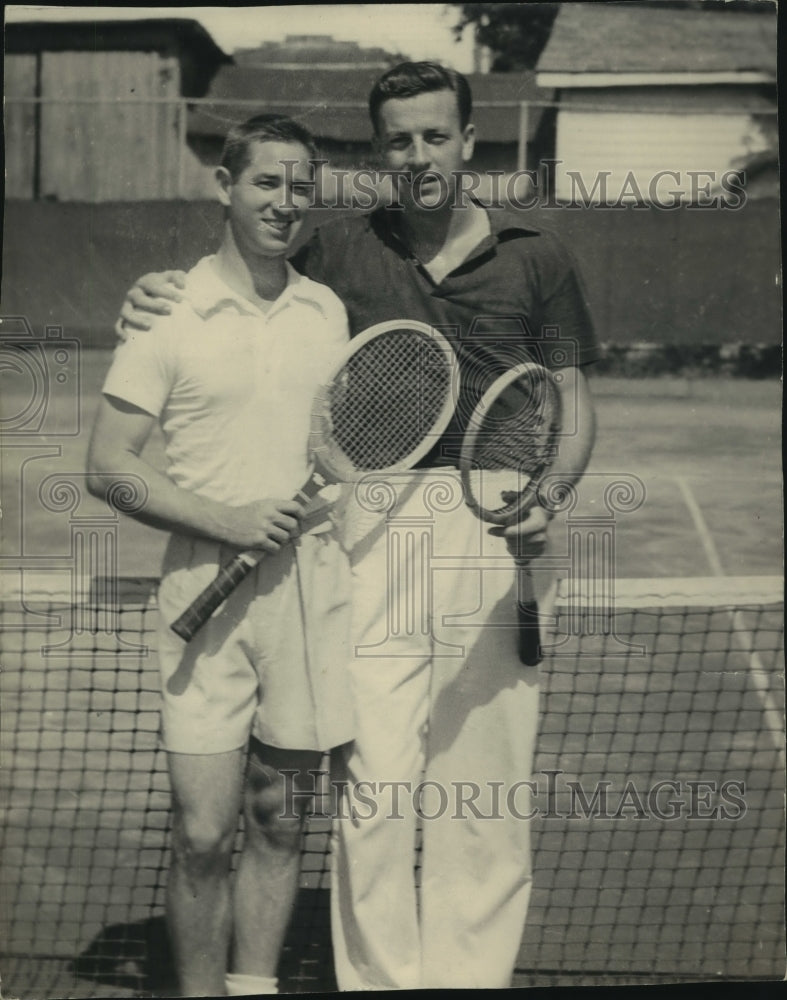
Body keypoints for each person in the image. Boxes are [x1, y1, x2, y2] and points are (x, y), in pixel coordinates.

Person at [117, 62, 598, 990]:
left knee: (482, 787)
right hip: (372, 525)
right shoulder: (337, 250)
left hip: (494, 526)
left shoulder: (539, 255)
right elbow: (241, 275)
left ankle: (468, 979)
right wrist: (154, 289)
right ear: (379, 153)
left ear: (468, 140)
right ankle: (379, 980)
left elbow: (572, 403)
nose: (417, 155)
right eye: (397, 140)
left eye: (434, 135)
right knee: (372, 788)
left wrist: (550, 495)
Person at [88, 114, 354, 997]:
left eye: (299, 185)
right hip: (203, 591)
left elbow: (338, 448)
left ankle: (253, 990)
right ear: (226, 188)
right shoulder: (168, 311)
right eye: (266, 183)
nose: (284, 202)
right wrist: (227, 519)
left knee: (279, 822)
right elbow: (107, 467)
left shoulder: (328, 312)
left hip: (309, 597)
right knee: (202, 832)